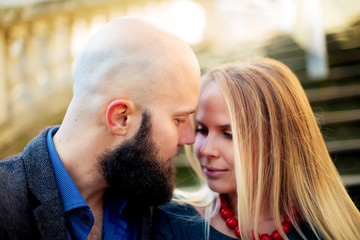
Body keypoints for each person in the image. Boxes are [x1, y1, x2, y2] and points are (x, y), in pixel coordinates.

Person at [0, 16, 200, 240]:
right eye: (179, 120)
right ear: (121, 118)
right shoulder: (5, 208)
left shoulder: (152, 201)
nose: (190, 138)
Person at [152, 57, 360, 240]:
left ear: (278, 142)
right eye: (202, 130)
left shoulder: (330, 230)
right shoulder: (171, 220)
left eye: (228, 134)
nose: (206, 150)